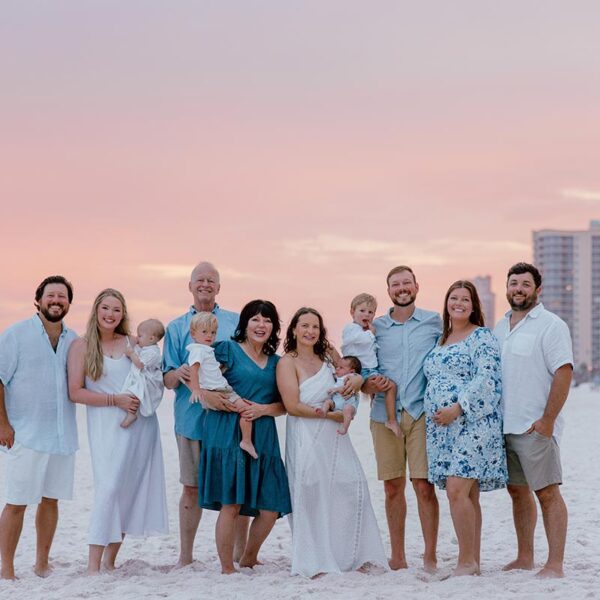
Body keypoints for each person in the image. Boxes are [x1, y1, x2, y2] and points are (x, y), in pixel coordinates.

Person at [277, 307, 387, 578]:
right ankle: (315, 560)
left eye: (315, 326)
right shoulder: (287, 362)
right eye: (304, 326)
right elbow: (292, 406)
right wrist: (331, 414)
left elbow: (351, 377)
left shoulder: (328, 355)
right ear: (294, 329)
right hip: (306, 432)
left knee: (350, 486)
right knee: (310, 492)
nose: (310, 331)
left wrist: (358, 380)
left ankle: (353, 555)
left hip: (335, 435)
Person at [68, 288, 168, 574]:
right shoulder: (82, 346)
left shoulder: (134, 343)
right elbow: (75, 392)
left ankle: (110, 561)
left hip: (140, 427)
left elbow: (154, 368)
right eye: (106, 308)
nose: (111, 314)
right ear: (96, 311)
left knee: (128, 491)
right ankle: (92, 565)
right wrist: (115, 400)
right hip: (105, 426)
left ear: (123, 314)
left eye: (116, 309)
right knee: (108, 488)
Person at [197, 300, 291, 574]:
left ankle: (249, 557)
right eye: (255, 319)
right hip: (227, 432)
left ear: (274, 327)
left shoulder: (277, 363)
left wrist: (262, 409)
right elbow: (204, 386)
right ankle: (227, 567)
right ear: (245, 324)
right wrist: (229, 404)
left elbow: (285, 405)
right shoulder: (226, 350)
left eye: (268, 320)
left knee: (271, 507)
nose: (261, 325)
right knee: (232, 502)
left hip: (263, 434)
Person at [494, 262, 573, 579]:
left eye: (525, 284)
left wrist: (547, 420)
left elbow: (564, 372)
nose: (518, 289)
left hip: (535, 428)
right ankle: (525, 556)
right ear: (507, 287)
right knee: (517, 492)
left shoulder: (551, 325)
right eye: (514, 283)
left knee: (548, 493)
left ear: (537, 290)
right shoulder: (500, 327)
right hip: (505, 427)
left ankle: (555, 563)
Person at [423, 280, 507, 576]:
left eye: (465, 299)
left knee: (457, 491)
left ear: (474, 306)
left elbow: (488, 379)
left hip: (472, 423)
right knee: (468, 495)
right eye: (453, 298)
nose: (458, 303)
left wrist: (458, 408)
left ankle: (466, 562)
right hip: (443, 429)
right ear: (446, 303)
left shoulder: (482, 336)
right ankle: (472, 561)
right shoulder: (441, 339)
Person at [162, 261, 241, 568]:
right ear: (190, 285)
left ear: (219, 287)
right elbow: (166, 379)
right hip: (190, 419)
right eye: (200, 280)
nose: (205, 284)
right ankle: (186, 555)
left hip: (227, 417)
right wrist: (178, 372)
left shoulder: (234, 323)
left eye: (211, 280)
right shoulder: (176, 328)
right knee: (191, 488)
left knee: (235, 489)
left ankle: (238, 554)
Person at [363, 266, 442, 572]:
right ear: (388, 291)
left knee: (424, 486)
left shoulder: (435, 322)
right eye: (395, 284)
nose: (401, 288)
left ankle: (430, 555)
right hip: (385, 414)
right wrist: (367, 384)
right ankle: (398, 556)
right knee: (393, 487)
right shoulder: (375, 327)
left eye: (406, 282)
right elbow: (363, 367)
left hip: (423, 413)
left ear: (416, 286)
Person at [0, 276, 78, 580]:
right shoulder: (16, 335)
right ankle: (6, 568)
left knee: (50, 500)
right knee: (17, 502)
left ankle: (41, 562)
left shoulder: (74, 340)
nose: (56, 300)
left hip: (61, 436)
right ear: (39, 300)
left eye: (62, 296)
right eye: (51, 295)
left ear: (69, 303)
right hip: (25, 434)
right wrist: (3, 424)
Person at [187, 311, 257, 459]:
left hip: (221, 389)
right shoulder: (198, 351)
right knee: (247, 410)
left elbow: (208, 370)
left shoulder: (206, 350)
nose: (209, 336)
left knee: (238, 412)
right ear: (193, 334)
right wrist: (196, 389)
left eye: (213, 332)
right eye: (204, 331)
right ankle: (246, 441)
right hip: (220, 391)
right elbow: (193, 370)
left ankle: (243, 442)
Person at [341, 293, 400, 437]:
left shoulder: (364, 331)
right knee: (391, 386)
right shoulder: (352, 329)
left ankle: (377, 410)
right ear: (352, 312)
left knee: (378, 391)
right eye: (362, 311)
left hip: (371, 369)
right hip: (363, 370)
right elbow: (356, 340)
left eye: (370, 312)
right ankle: (391, 420)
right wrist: (371, 334)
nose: (366, 314)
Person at [120, 318, 165, 428]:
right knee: (131, 391)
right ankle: (130, 412)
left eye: (140, 336)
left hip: (149, 380)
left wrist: (131, 354)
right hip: (143, 375)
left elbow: (140, 364)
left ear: (151, 338)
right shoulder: (146, 348)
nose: (137, 338)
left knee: (135, 392)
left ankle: (132, 414)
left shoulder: (153, 352)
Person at [315, 355, 362, 435]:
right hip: (336, 404)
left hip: (348, 404)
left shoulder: (350, 378)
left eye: (341, 368)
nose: (337, 368)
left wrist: (335, 389)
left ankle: (345, 427)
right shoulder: (339, 378)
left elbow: (345, 389)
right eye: (337, 367)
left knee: (347, 410)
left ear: (351, 371)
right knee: (328, 401)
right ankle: (323, 411)